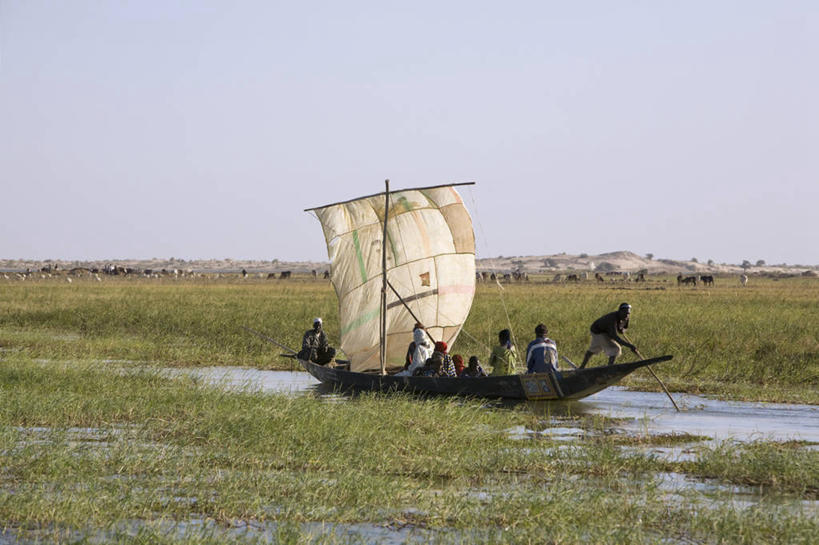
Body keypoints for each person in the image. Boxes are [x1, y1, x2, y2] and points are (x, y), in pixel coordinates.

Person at [580, 303, 637, 368]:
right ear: (620, 311)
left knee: (594, 349)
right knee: (616, 348)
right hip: (598, 331)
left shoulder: (625, 317)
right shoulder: (612, 319)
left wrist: (622, 330)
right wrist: (630, 346)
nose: (627, 315)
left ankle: (581, 368)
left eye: (628, 313)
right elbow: (615, 337)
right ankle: (609, 368)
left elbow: (624, 328)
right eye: (625, 313)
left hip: (606, 331)